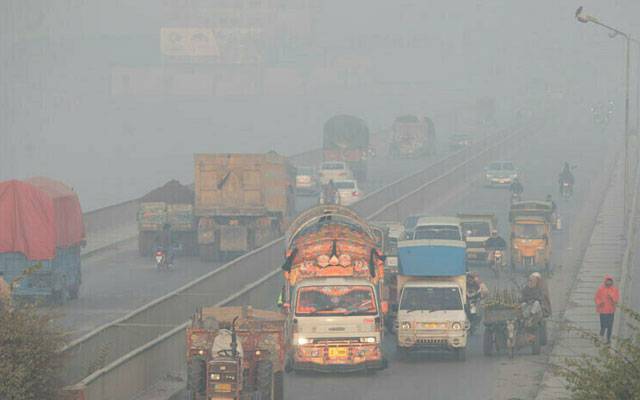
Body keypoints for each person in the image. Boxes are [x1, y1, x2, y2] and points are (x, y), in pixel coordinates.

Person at [594, 275, 620, 344]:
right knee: (603, 325)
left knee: (610, 326)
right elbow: (596, 298)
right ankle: (601, 337)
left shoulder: (614, 290)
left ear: (612, 282)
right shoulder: (600, 289)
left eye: (610, 282)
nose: (608, 283)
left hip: (611, 311)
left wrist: (611, 298)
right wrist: (599, 303)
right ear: (605, 282)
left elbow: (616, 299)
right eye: (607, 282)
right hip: (602, 311)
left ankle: (608, 339)